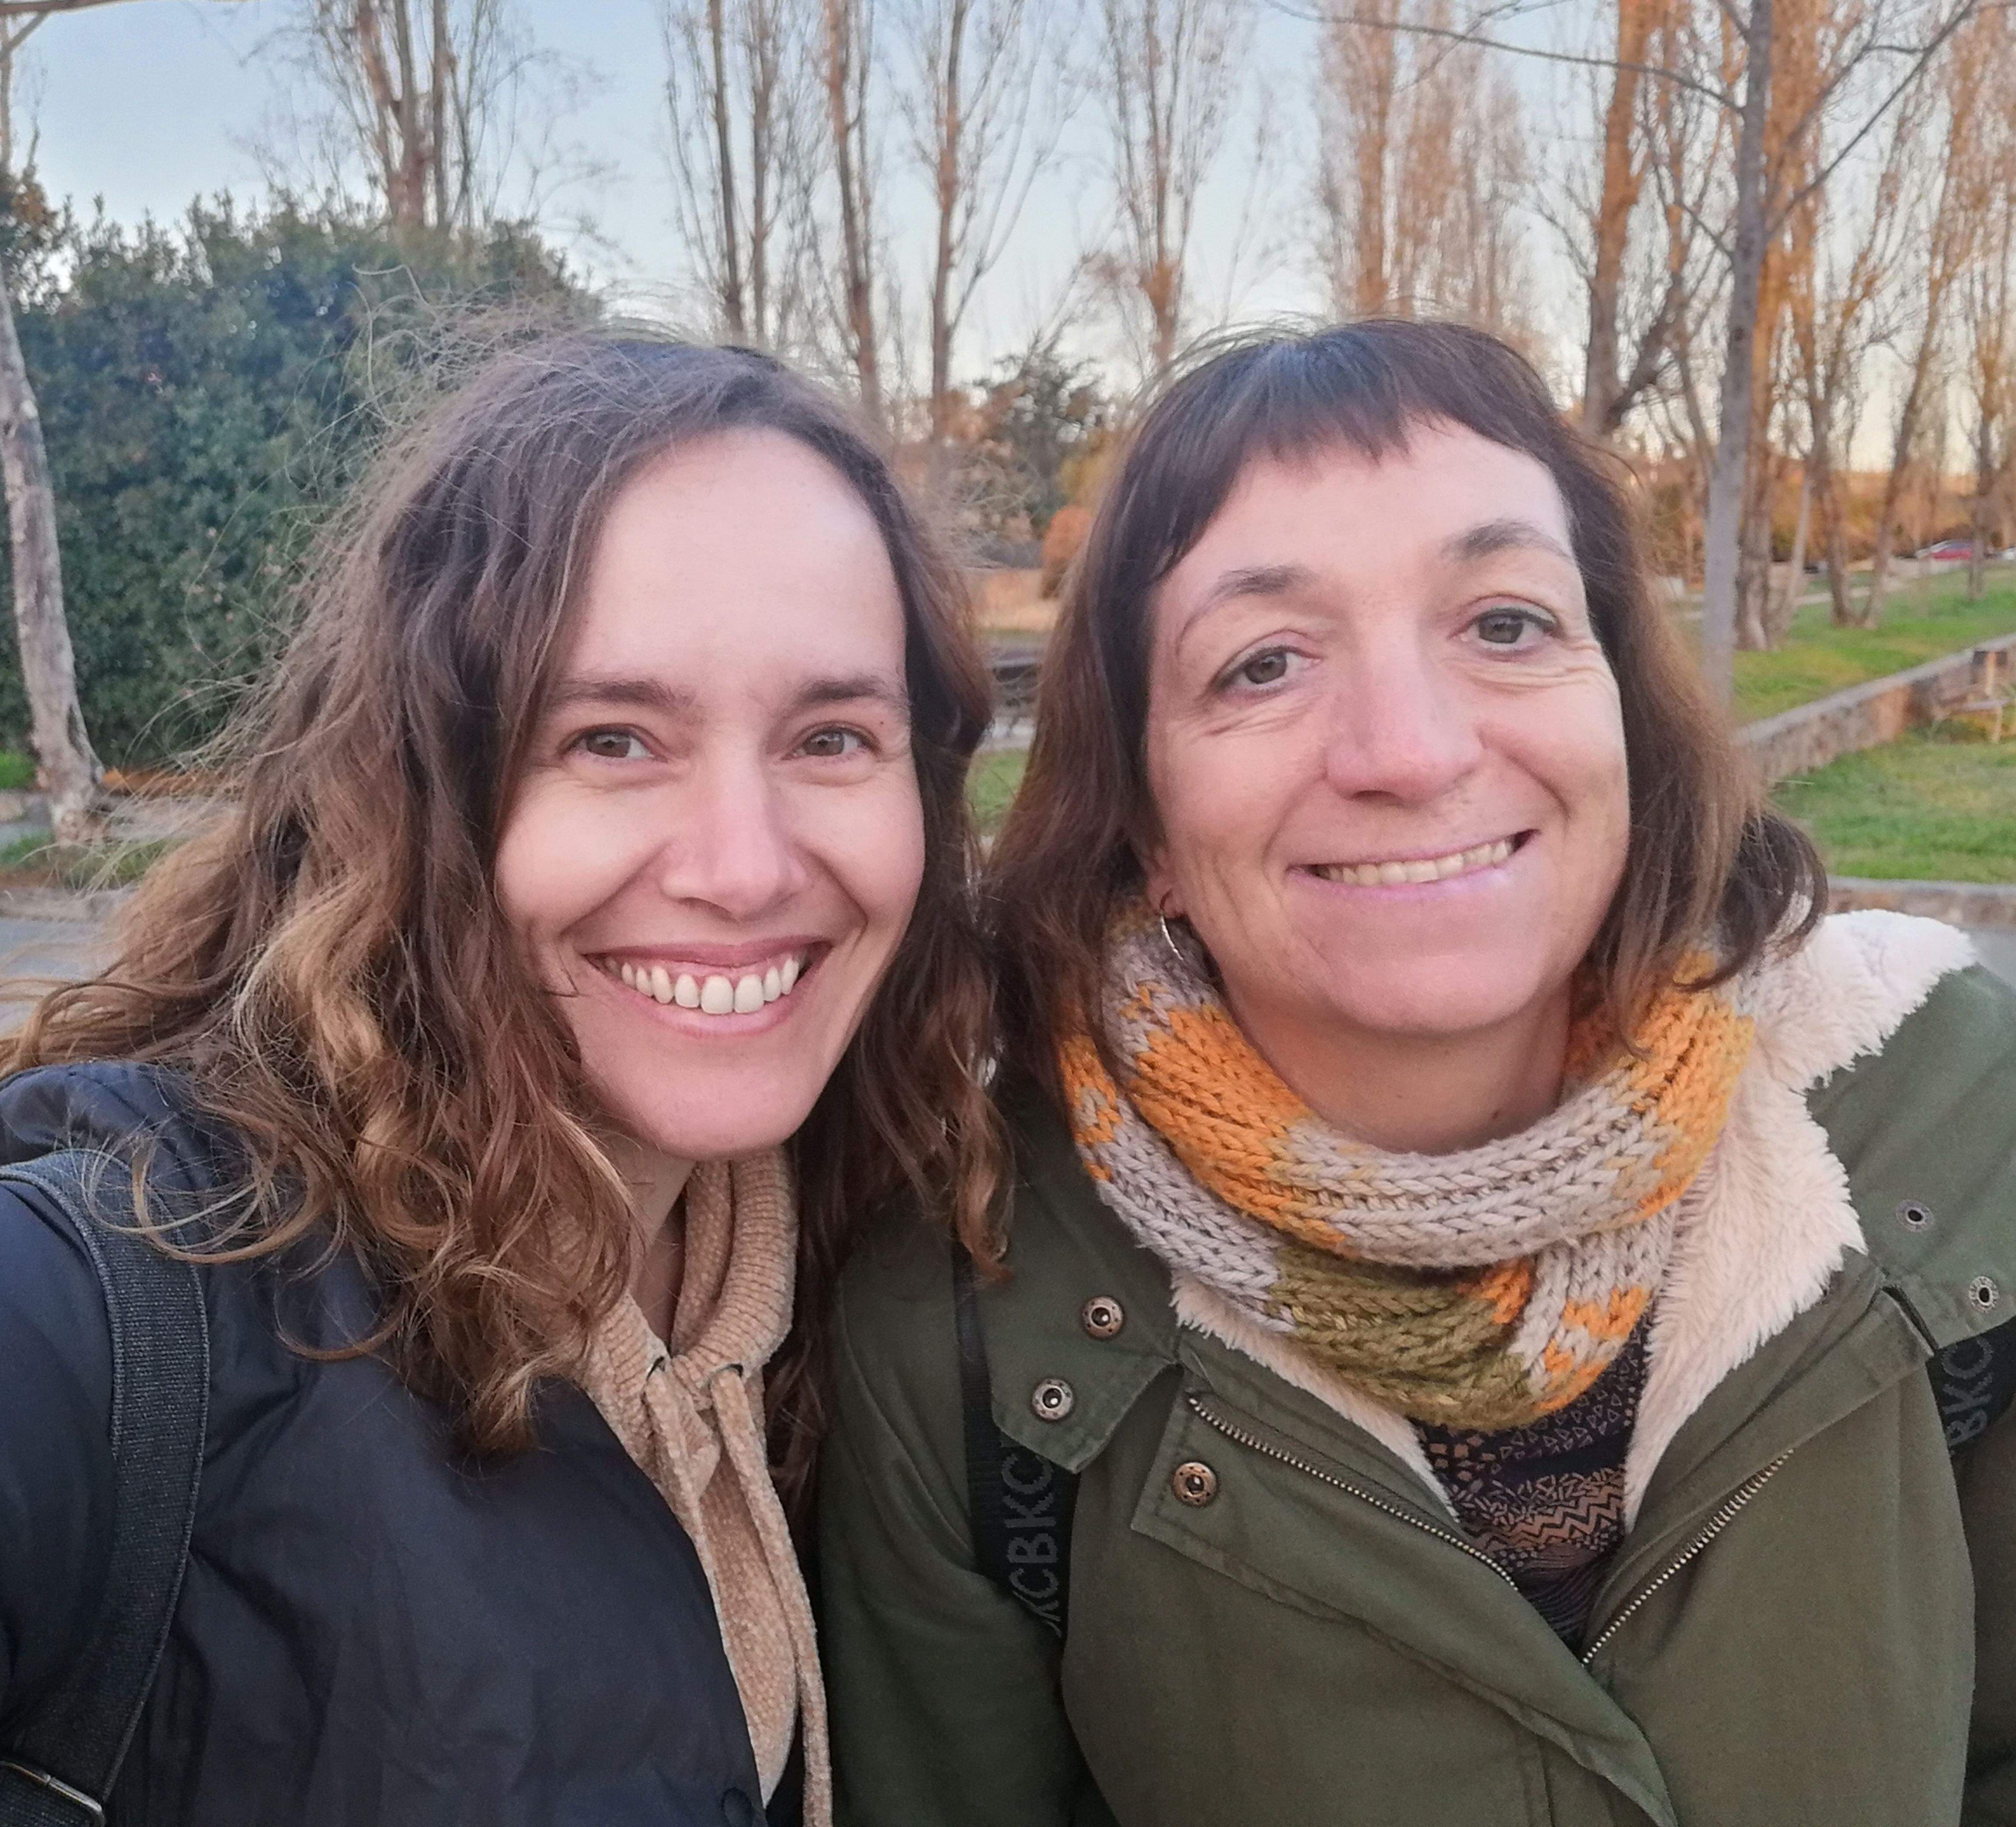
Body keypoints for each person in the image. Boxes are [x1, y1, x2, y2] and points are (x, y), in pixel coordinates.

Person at [817, 320, 2016, 1826]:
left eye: (1503, 621)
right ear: (1147, 825)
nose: (1408, 748)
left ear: (1622, 717)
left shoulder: (1949, 1117)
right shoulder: (966, 1304)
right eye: (1263, 661)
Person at [0, 335, 998, 1827]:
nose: (744, 865)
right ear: (423, 793)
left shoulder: (887, 1253)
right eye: (611, 739)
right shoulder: (137, 1288)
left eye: (832, 736)